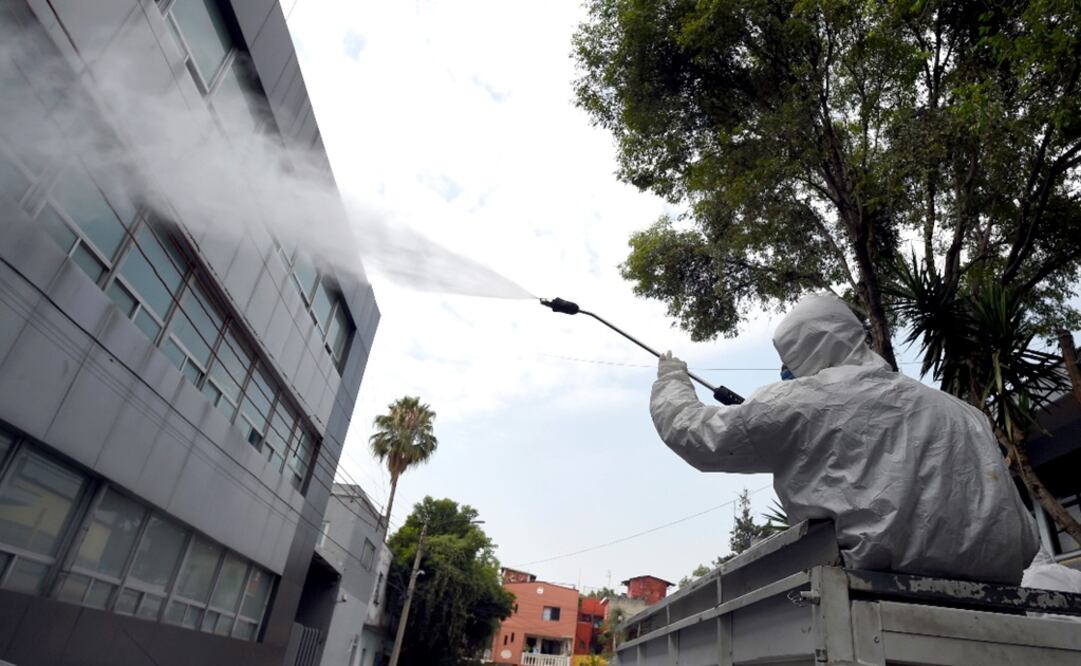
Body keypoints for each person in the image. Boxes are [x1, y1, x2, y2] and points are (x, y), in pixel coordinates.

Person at [650, 292, 1038, 584]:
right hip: (1001, 598)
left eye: (788, 358)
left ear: (806, 348)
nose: (786, 370)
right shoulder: (965, 413)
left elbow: (700, 436)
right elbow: (1026, 537)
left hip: (871, 593)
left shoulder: (803, 401)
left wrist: (671, 379)